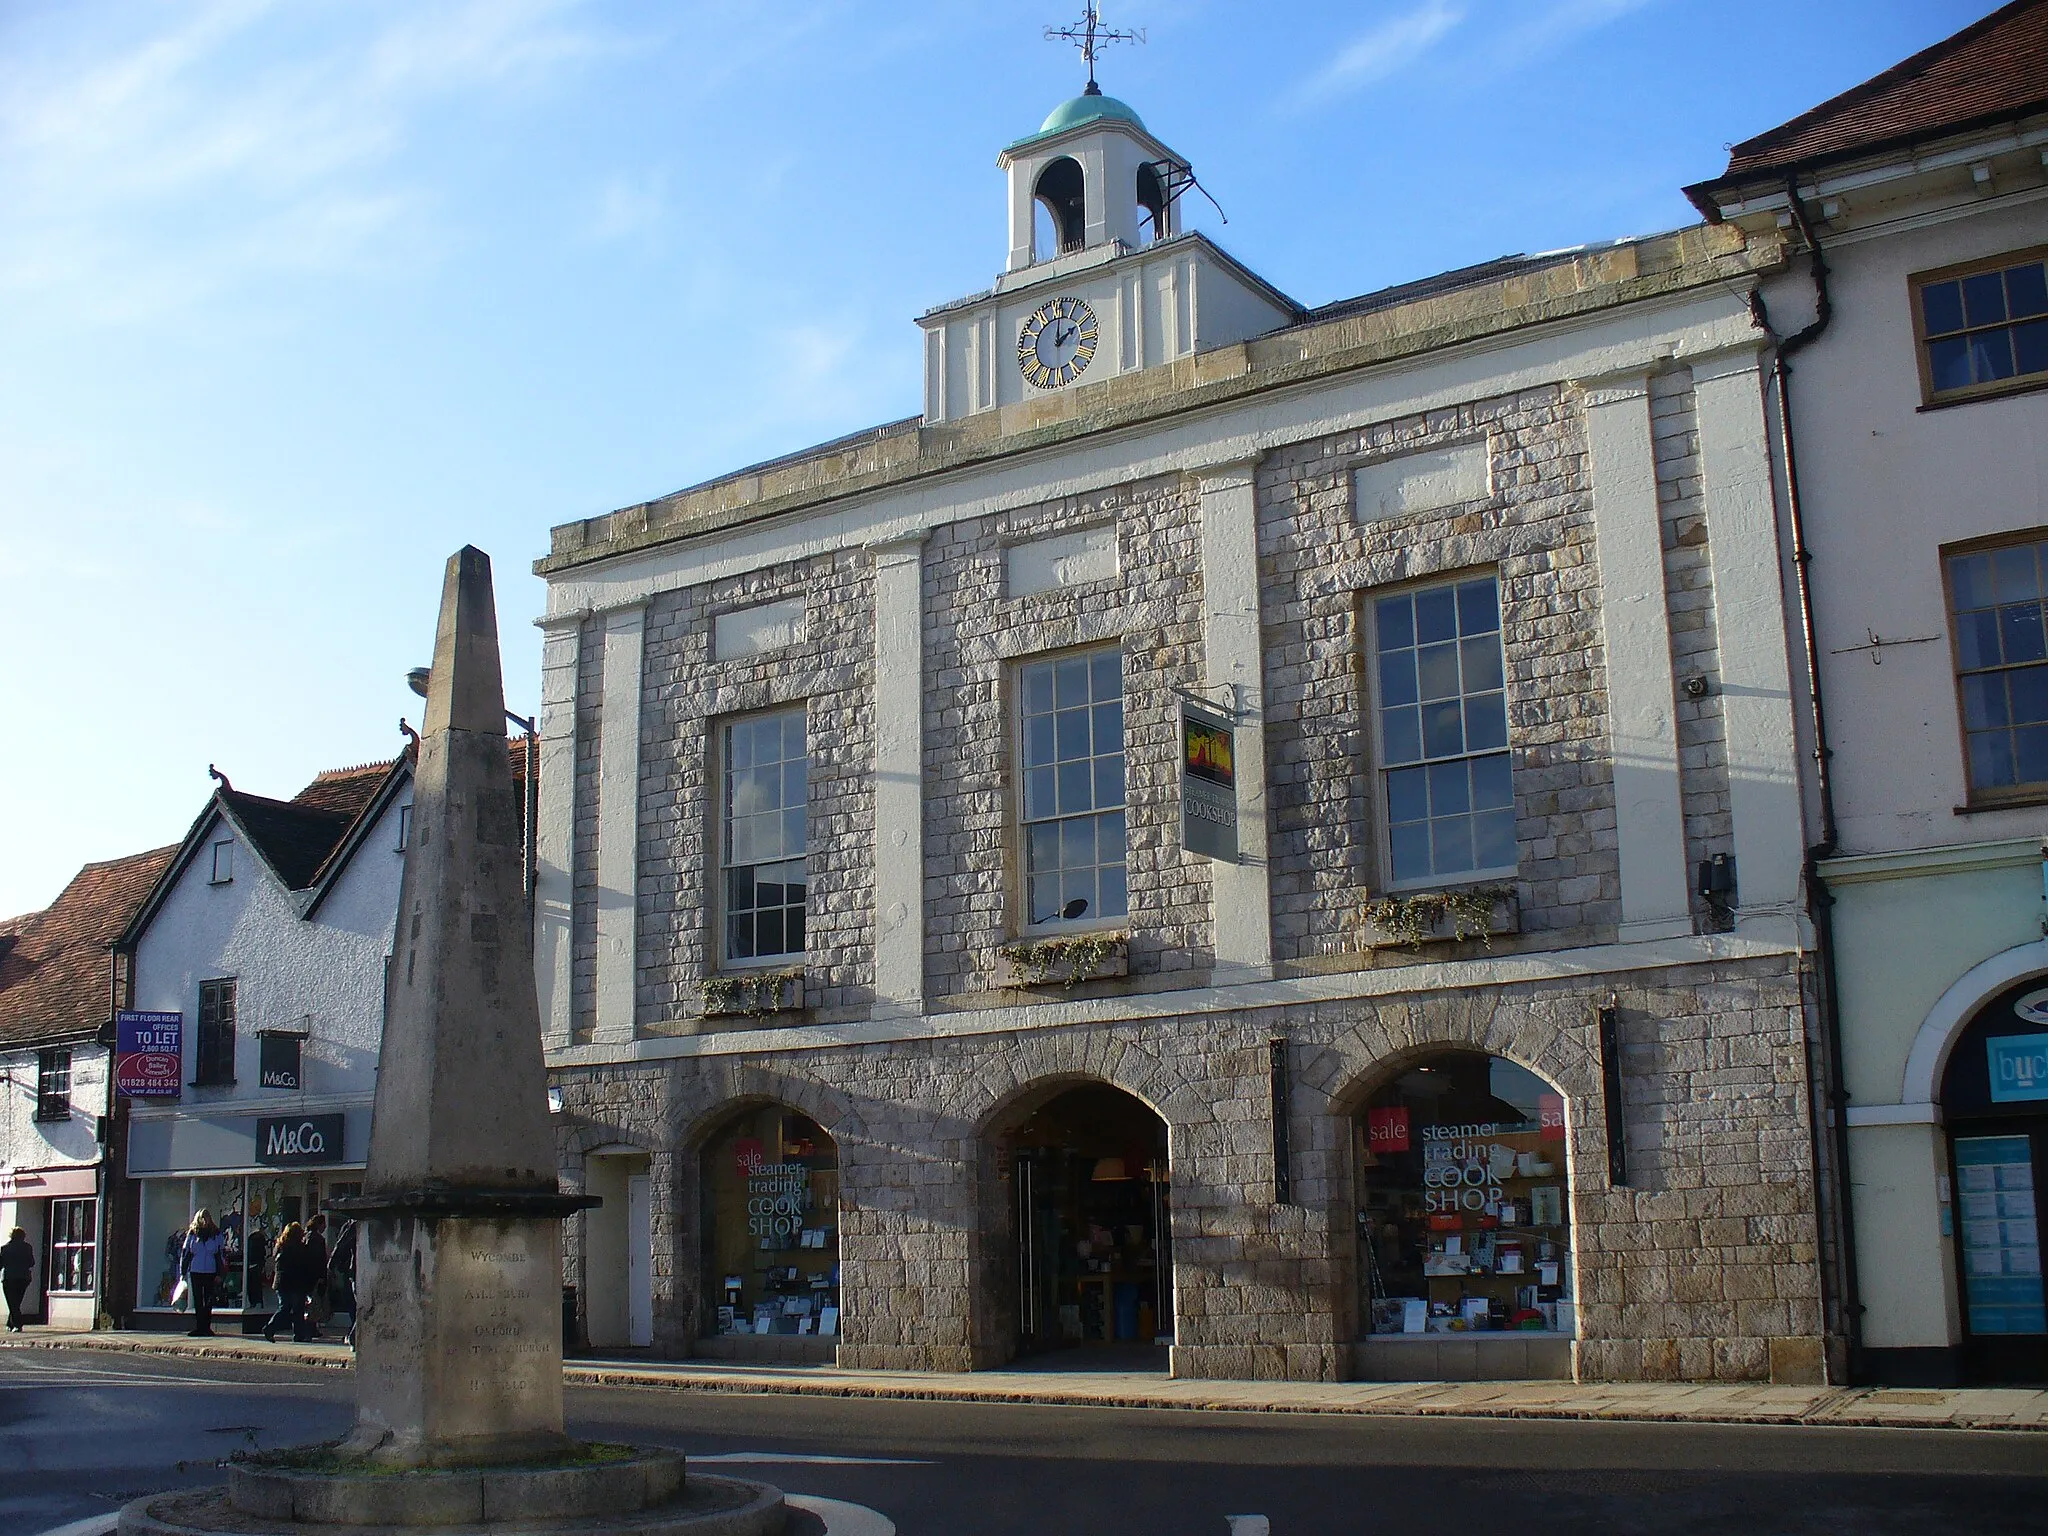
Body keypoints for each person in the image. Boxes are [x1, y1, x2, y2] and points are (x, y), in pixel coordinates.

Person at [263, 1222, 317, 1343]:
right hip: (295, 1282)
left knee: (287, 1307)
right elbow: (304, 1266)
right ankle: (277, 1329)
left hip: (282, 1282)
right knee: (295, 1309)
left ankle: (277, 1329)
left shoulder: (280, 1246)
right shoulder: (299, 1247)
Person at [180, 1210, 226, 1337]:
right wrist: (182, 1272)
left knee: (209, 1300)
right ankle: (199, 1327)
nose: (205, 1221)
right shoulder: (192, 1234)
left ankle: (207, 1327)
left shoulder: (216, 1234)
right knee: (198, 1300)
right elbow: (186, 1253)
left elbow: (220, 1255)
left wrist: (220, 1273)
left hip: (210, 1271)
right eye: (203, 1218)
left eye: (207, 1217)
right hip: (196, 1270)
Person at [329, 1219, 359, 1347]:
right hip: (358, 1271)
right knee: (363, 1307)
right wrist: (333, 1263)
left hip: (358, 1270)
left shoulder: (354, 1224)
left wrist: (333, 1263)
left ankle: (354, 1336)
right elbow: (342, 1245)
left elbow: (341, 1245)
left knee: (362, 1307)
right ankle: (353, 1337)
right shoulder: (355, 1224)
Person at [1, 1227, 34, 1332]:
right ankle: (10, 1323)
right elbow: (31, 1263)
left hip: (8, 1277)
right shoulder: (28, 1247)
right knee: (16, 1301)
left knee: (12, 1302)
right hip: (23, 1277)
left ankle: (17, 1324)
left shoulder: (5, 1248)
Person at [303, 1213, 331, 1337]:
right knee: (314, 1302)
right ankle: (310, 1328)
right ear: (319, 1224)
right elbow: (317, 1260)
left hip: (308, 1275)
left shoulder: (306, 1237)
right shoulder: (317, 1239)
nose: (325, 1227)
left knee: (312, 1303)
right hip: (314, 1276)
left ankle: (311, 1328)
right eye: (324, 1224)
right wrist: (320, 1277)